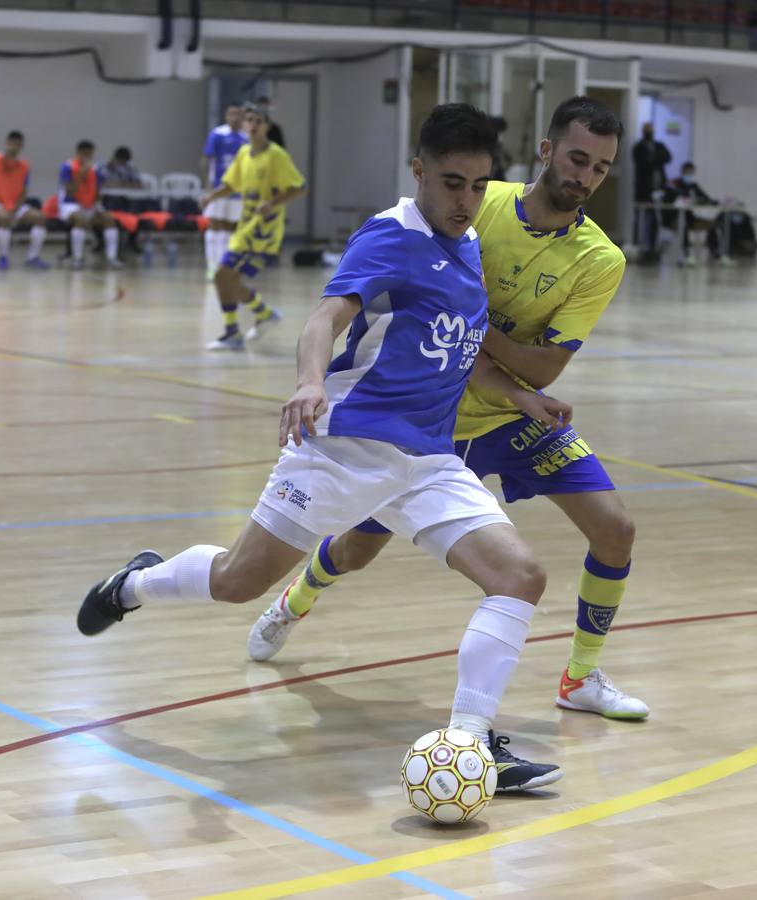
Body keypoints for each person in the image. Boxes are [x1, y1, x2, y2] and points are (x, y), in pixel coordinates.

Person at [77, 103, 567, 791]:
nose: (467, 200)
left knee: (520, 577)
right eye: (453, 183)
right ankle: (132, 583)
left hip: (426, 461)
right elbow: (326, 317)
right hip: (344, 448)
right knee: (237, 582)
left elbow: (456, 348)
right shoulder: (390, 236)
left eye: (480, 186)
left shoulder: (468, 247)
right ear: (420, 170)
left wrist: (519, 395)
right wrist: (310, 380)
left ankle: (471, 743)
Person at [247, 96, 649, 722]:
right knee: (355, 550)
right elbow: (394, 277)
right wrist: (462, 319)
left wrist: (467, 319)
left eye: (601, 168)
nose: (585, 177)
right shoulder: (477, 202)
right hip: (428, 419)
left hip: (516, 411)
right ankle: (294, 600)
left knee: (615, 529)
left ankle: (580, 677)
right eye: (577, 159)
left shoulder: (601, 258)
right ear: (546, 152)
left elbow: (543, 368)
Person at [201, 106, 306, 350]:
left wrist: (272, 203)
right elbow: (230, 184)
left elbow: (298, 187)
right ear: (245, 125)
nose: (253, 124)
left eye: (258, 120)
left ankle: (234, 332)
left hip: (264, 234)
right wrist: (211, 196)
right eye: (250, 120)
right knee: (228, 281)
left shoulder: (276, 155)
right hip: (245, 229)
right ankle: (263, 315)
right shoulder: (244, 153)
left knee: (222, 276)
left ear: (267, 126)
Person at [0, 130, 50, 271]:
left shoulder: (25, 165)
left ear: (21, 146)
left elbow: (24, 192)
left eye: (18, 144)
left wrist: (17, 207)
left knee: (40, 217)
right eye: (12, 143)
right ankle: (3, 257)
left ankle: (32, 257)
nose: (14, 147)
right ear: (6, 143)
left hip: (14, 205)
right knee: (4, 217)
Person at [57, 140, 123, 269]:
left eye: (90, 154)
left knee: (109, 219)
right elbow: (69, 192)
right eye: (84, 154)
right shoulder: (67, 167)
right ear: (78, 154)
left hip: (90, 205)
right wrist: (81, 174)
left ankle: (111, 258)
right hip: (71, 205)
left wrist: (98, 202)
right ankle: (78, 258)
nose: (87, 158)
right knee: (80, 219)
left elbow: (98, 192)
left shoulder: (96, 169)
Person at [202, 104, 249, 278]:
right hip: (219, 188)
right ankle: (211, 267)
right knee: (215, 226)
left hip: (239, 191)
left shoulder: (246, 138)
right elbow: (208, 160)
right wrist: (208, 185)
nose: (234, 117)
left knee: (231, 228)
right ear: (226, 115)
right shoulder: (217, 134)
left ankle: (225, 266)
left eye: (237, 114)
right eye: (231, 114)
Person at [670, 162, 724, 267]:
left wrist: (715, 202)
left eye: (691, 173)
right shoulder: (675, 184)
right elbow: (673, 199)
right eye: (687, 172)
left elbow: (706, 198)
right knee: (683, 226)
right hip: (677, 217)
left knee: (714, 225)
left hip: (691, 217)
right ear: (683, 171)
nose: (689, 175)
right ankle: (685, 254)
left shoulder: (694, 186)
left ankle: (716, 251)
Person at [631, 122, 671, 260]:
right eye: (648, 130)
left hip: (659, 190)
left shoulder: (659, 145)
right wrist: (655, 158)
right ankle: (637, 246)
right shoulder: (639, 147)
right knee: (640, 219)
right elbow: (644, 163)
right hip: (643, 190)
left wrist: (654, 158)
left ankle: (653, 247)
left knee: (655, 220)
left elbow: (667, 157)